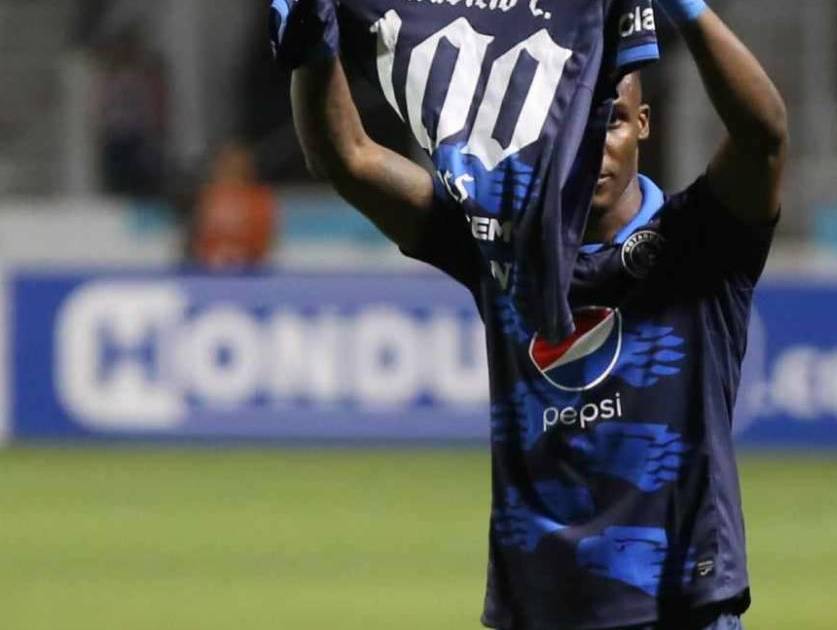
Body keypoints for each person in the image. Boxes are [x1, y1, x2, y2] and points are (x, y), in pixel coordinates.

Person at [282, 0, 787, 627]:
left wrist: (683, 6)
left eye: (613, 120)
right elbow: (348, 159)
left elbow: (764, 135)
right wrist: (310, 43)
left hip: (680, 607)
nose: (593, 145)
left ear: (644, 125)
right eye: (574, 123)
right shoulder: (501, 241)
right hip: (537, 609)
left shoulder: (702, 241)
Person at [187, 141, 278, 270]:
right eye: (228, 163)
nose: (232, 169)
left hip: (249, 269)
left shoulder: (259, 198)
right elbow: (195, 237)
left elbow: (265, 239)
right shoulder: (207, 196)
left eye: (237, 165)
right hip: (208, 268)